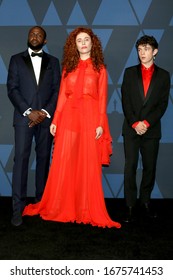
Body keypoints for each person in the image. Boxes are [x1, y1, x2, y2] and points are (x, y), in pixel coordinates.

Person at [22, 27, 121, 229]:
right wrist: (56, 120)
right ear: (74, 45)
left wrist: (101, 123)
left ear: (92, 43)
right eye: (79, 40)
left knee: (87, 165)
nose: (83, 43)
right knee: (65, 162)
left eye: (86, 39)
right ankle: (62, 206)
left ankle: (85, 208)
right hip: (68, 119)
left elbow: (102, 99)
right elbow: (61, 98)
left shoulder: (100, 68)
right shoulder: (67, 67)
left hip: (91, 119)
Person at [7, 26, 61, 226]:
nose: (35, 36)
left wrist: (44, 112)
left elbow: (57, 90)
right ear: (28, 37)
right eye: (32, 34)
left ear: (45, 41)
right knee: (20, 161)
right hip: (24, 119)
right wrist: (30, 111)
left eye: (39, 35)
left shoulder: (53, 62)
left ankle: (41, 204)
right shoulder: (15, 59)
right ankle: (17, 209)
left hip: (46, 120)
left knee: (44, 161)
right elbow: (12, 89)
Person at [121, 35, 170, 222]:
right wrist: (135, 123)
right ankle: (130, 205)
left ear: (155, 51)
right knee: (130, 167)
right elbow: (125, 100)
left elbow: (162, 104)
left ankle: (146, 203)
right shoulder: (129, 73)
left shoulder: (164, 75)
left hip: (152, 130)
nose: (142, 53)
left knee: (149, 168)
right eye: (140, 50)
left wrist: (147, 123)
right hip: (131, 128)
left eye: (146, 49)